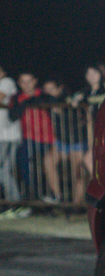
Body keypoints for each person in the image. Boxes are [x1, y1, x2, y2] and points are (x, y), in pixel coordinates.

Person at [11, 72, 60, 203]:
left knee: (47, 166)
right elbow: (13, 116)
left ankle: (54, 197)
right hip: (29, 138)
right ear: (19, 83)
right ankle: (36, 195)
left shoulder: (44, 95)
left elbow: (56, 104)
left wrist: (31, 101)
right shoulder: (17, 97)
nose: (27, 84)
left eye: (29, 81)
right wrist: (26, 103)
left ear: (35, 81)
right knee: (23, 163)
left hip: (48, 139)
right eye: (23, 82)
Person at [71, 63, 105, 186]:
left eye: (94, 73)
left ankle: (102, 187)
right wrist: (75, 99)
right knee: (94, 161)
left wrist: (84, 100)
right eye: (88, 74)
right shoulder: (86, 90)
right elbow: (73, 98)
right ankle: (102, 187)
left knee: (89, 159)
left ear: (100, 74)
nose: (91, 76)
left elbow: (103, 98)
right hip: (92, 130)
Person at [0, 64, 22, 211]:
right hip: (2, 136)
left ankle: (16, 203)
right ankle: (11, 203)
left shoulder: (6, 82)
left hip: (9, 136)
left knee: (3, 169)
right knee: (3, 170)